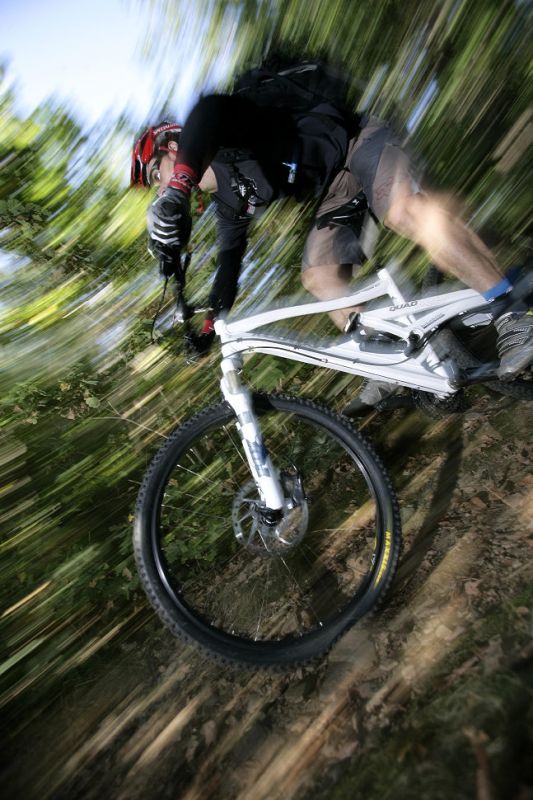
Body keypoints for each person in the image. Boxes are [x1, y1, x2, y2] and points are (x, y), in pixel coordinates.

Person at [131, 75, 532, 411]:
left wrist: (177, 188)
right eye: (156, 186)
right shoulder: (230, 201)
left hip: (361, 139)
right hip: (336, 187)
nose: (159, 188)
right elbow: (229, 262)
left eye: (156, 175)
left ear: (173, 148)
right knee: (319, 277)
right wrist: (208, 326)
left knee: (402, 212)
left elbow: (209, 110)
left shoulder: (226, 135)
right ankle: (391, 361)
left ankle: (514, 313)